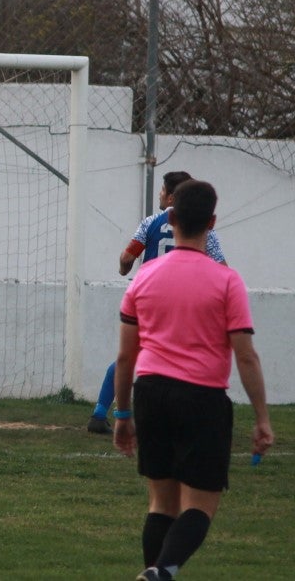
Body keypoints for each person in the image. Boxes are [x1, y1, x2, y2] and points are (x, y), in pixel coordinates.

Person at [112, 179, 273, 581]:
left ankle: (154, 572)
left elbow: (125, 356)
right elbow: (245, 355)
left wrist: (122, 414)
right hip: (202, 397)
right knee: (200, 507)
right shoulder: (227, 280)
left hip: (151, 393)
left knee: (161, 505)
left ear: (171, 217)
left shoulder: (144, 277)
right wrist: (262, 418)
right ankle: (162, 572)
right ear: (212, 223)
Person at [88, 170, 227, 434]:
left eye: (163, 190)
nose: (160, 195)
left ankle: (100, 413)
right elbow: (222, 268)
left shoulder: (150, 223)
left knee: (131, 354)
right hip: (184, 303)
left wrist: (123, 269)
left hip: (149, 299)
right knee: (183, 357)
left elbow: (127, 259)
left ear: (173, 196)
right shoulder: (201, 228)